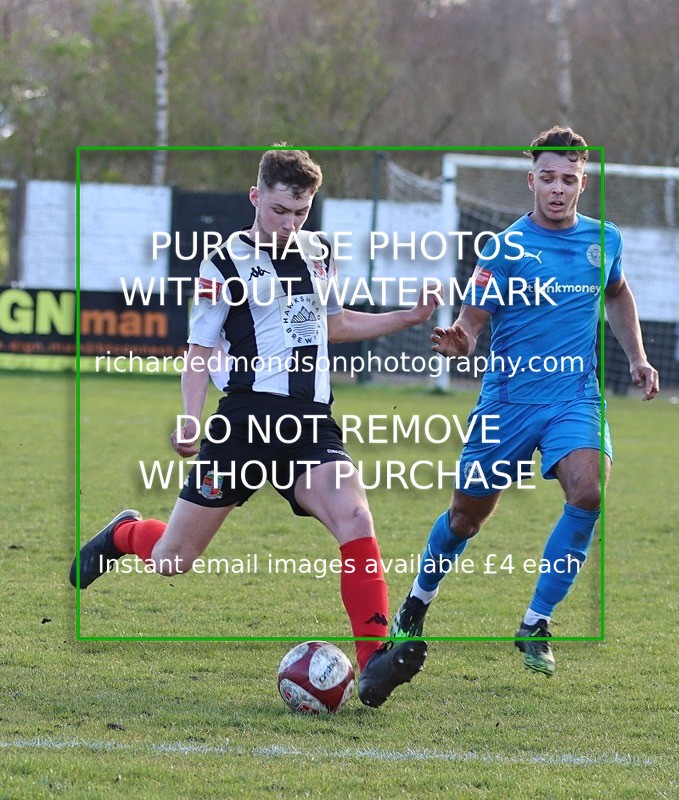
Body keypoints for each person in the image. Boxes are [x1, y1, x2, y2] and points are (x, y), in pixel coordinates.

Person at [70, 147, 440, 707]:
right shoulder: (222, 264)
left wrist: (406, 317)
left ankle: (373, 663)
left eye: (301, 212)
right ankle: (124, 533)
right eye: (279, 211)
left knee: (356, 517)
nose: (290, 224)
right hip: (244, 425)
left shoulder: (319, 253)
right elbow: (199, 351)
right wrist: (189, 420)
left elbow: (333, 324)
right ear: (255, 197)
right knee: (173, 559)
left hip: (310, 423)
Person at [391, 126, 659, 675]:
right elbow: (472, 320)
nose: (558, 188)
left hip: (575, 397)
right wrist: (461, 339)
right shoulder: (504, 247)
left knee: (589, 492)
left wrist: (637, 356)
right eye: (548, 177)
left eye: (569, 179)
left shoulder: (604, 240)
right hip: (508, 402)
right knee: (465, 519)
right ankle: (416, 602)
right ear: (530, 180)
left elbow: (617, 291)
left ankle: (536, 621)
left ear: (583, 183)